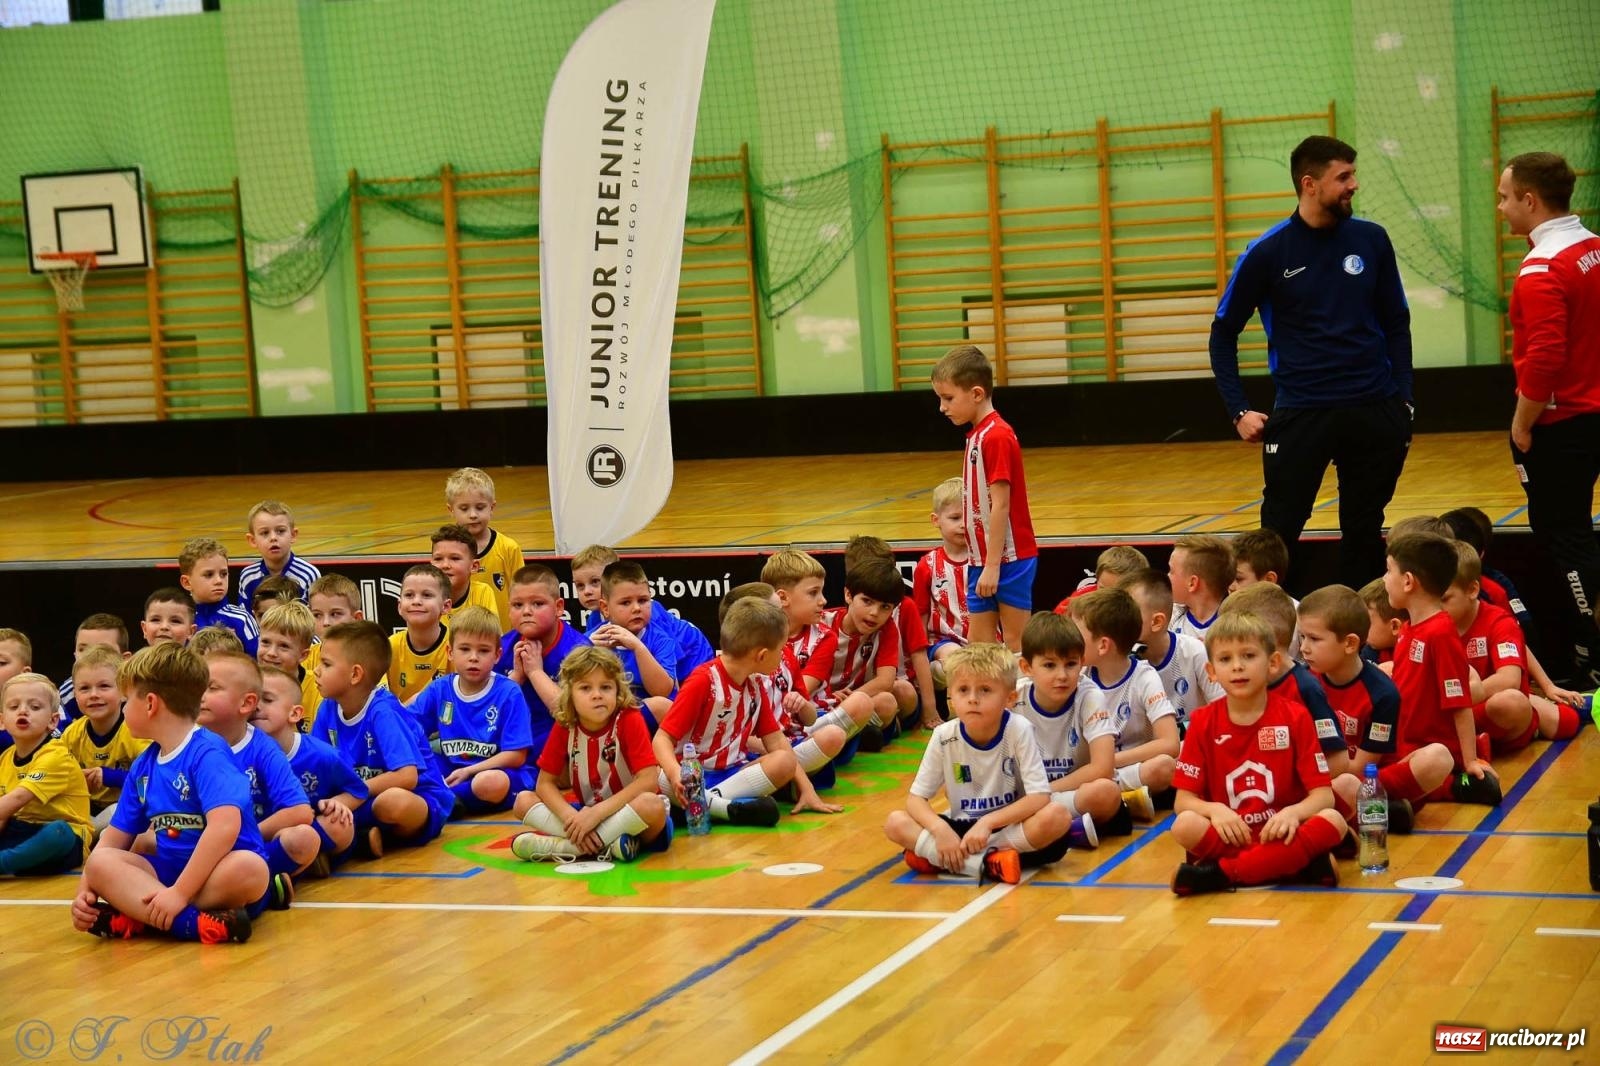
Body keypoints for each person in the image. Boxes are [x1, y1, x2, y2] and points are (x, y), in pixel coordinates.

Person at [1210, 135, 1413, 590]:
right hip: (1303, 412)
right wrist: (1238, 410)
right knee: (1277, 533)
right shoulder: (1267, 252)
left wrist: (1405, 401)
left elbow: (1397, 321)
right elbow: (1223, 331)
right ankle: (1275, 636)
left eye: (1353, 175)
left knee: (1363, 529)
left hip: (1375, 409)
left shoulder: (1372, 240)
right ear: (1309, 184)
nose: (1353, 185)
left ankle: (1357, 640)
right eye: (1343, 177)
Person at [72, 643, 267, 944]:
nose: (123, 710)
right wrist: (86, 891)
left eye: (126, 702)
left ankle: (147, 916)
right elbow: (113, 839)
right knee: (99, 862)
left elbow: (225, 827)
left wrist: (179, 893)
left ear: (150, 704)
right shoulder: (143, 765)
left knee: (251, 869)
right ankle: (193, 923)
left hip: (217, 872)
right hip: (166, 874)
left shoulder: (207, 752)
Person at [1498, 151, 1600, 688]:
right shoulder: (1593, 249)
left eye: (1505, 197)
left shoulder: (1542, 269)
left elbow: (1545, 356)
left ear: (1530, 201)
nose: (1501, 208)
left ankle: (1585, 655)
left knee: (1565, 537)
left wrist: (1521, 423)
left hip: (1563, 425)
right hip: (1595, 413)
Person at [1168, 613, 1345, 895]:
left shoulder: (1295, 717)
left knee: (1334, 821)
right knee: (1184, 825)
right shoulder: (1201, 722)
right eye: (1225, 660)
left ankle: (1222, 874)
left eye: (1248, 655)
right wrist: (1215, 810)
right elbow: (1183, 801)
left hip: (1281, 833)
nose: (1237, 666)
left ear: (1273, 663)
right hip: (1231, 834)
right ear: (1211, 672)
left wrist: (1293, 813)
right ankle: (1295, 865)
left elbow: (1323, 795)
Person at [885, 643, 1072, 884]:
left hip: (1007, 826)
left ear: (1010, 698)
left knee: (1057, 816)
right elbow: (916, 800)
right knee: (895, 822)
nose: (973, 699)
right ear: (951, 696)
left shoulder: (1019, 729)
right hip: (961, 828)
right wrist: (940, 831)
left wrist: (988, 822)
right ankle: (990, 862)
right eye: (963, 690)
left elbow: (1039, 797)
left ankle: (952, 860)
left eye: (985, 690)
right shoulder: (944, 735)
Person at [650, 599, 798, 829]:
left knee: (786, 761)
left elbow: (777, 742)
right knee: (653, 777)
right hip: (688, 775)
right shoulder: (703, 681)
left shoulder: (756, 684)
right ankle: (718, 807)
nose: (783, 655)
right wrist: (675, 773)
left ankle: (702, 805)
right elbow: (661, 740)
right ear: (761, 655)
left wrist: (805, 789)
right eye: (781, 649)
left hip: (731, 776)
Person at [512, 647, 669, 863]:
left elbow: (649, 781)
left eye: (606, 687)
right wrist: (571, 817)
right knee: (522, 801)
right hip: (587, 813)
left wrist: (597, 814)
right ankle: (605, 844)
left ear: (617, 690)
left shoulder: (629, 718)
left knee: (652, 805)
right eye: (585, 688)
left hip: (628, 812)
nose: (597, 695)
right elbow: (544, 784)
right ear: (569, 694)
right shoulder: (565, 724)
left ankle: (571, 848)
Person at [931, 344, 1037, 651]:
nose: (942, 407)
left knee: (1016, 643)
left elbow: (1000, 504)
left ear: (977, 394)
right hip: (983, 560)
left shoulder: (997, 436)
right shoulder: (976, 435)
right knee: (979, 645)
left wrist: (992, 566)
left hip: (1009, 560)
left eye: (948, 398)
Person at [1384, 534, 1501, 806]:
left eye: (1389, 570)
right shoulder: (1408, 628)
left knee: (1432, 760)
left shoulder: (1440, 634)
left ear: (1409, 581)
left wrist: (1470, 759)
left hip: (1430, 748)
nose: (1384, 579)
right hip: (1403, 741)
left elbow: (1459, 703)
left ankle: (1448, 784)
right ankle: (1401, 797)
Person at [316, 621, 453, 854]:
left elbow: (407, 776)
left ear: (355, 674)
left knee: (391, 802)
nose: (316, 670)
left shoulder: (382, 711)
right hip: (365, 798)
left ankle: (358, 843)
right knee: (320, 813)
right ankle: (362, 840)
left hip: (418, 798)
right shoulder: (327, 709)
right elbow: (317, 766)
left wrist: (351, 795)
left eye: (326, 664)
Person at [407, 606, 535, 816]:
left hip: (498, 772)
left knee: (489, 782)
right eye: (465, 649)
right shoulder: (440, 689)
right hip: (451, 770)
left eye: (483, 651)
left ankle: (445, 801)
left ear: (497, 655)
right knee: (411, 766)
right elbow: (406, 729)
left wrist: (470, 770)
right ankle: (452, 800)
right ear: (450, 652)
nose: (473, 657)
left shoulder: (508, 692)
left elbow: (516, 756)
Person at [1011, 612, 1125, 843]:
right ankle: (1070, 832)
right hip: (1023, 799)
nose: (1062, 675)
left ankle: (1047, 831)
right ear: (1026, 667)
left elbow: (1103, 768)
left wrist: (1044, 793)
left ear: (1082, 663)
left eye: (1071, 664)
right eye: (1049, 665)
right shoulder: (1013, 699)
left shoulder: (1089, 696)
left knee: (1106, 792)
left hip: (1062, 794)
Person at [1070, 589, 1178, 818]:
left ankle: (1114, 804)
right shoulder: (1077, 676)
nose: (1070, 641)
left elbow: (1170, 743)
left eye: (1077, 635)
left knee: (1164, 767)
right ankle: (1123, 802)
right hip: (1091, 773)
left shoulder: (1144, 677)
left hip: (1126, 768)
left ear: (1103, 646)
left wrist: (1109, 761)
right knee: (1092, 786)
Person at [0, 673, 94, 876]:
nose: (23, 711)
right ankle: (19, 859)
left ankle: (6, 862)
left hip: (63, 837)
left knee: (58, 832)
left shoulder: (56, 755)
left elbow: (17, 798)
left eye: (34, 707)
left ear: (53, 721)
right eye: (14, 707)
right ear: (2, 720)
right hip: (21, 831)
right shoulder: (4, 759)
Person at [497, 563, 591, 755]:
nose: (526, 611)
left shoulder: (579, 650)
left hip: (560, 740)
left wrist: (535, 672)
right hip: (512, 738)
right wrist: (516, 678)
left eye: (537, 604)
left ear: (558, 607)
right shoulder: (501, 647)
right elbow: (487, 710)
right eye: (517, 605)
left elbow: (576, 716)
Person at [59, 646, 147, 830]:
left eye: (104, 686)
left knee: (117, 812)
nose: (93, 695)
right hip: (86, 808)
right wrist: (74, 778)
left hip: (127, 809)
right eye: (84, 688)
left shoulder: (137, 732)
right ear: (75, 695)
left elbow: (152, 781)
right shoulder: (71, 734)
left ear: (124, 692)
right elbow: (57, 773)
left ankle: (86, 837)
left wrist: (108, 776)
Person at [445, 467, 525, 631]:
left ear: (492, 507)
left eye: (480, 507)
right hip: (460, 641)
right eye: (464, 508)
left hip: (502, 639)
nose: (473, 515)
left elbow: (522, 594)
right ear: (451, 510)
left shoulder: (508, 548)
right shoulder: (444, 551)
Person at [914, 477, 971, 683]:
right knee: (955, 661)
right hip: (944, 641)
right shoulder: (927, 565)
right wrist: (917, 656)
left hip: (985, 639)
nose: (964, 525)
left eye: (970, 517)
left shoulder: (986, 561)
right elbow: (921, 613)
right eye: (955, 518)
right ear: (935, 520)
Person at [178, 537, 258, 655]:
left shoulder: (242, 619)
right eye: (209, 575)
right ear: (187, 582)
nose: (218, 581)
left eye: (223, 574)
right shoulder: (182, 622)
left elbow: (257, 664)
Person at [388, 564, 454, 705]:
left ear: (446, 606)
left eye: (427, 595)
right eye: (409, 595)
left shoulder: (457, 645)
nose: (416, 601)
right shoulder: (388, 647)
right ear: (399, 606)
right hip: (402, 725)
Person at [237, 500, 321, 608]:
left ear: (293, 535)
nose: (273, 538)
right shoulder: (248, 576)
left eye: (280, 531)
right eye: (264, 533)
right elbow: (246, 619)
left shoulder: (309, 574)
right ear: (252, 540)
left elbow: (314, 618)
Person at [430, 524, 501, 623]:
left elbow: (490, 634)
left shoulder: (483, 592)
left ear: (474, 566)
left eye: (455, 558)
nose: (445, 565)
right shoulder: (425, 595)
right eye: (438, 559)